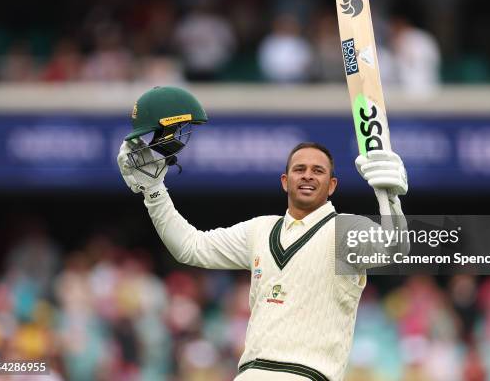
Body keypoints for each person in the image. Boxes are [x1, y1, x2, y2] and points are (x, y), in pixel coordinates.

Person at [116, 86, 408, 381]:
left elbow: (396, 251)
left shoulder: (345, 229)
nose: (307, 175)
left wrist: (391, 201)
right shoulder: (260, 229)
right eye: (299, 169)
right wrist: (154, 192)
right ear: (285, 181)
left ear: (332, 185)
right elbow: (190, 247)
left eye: (318, 171)